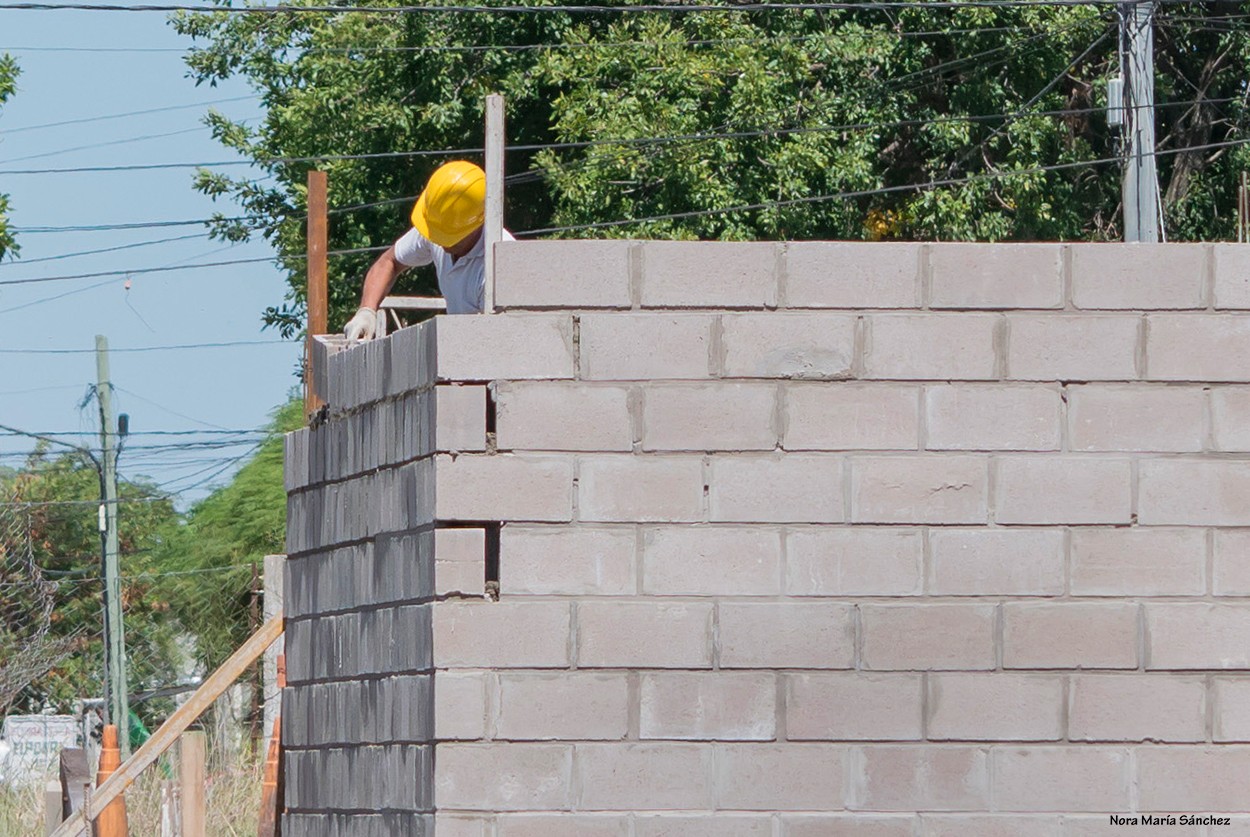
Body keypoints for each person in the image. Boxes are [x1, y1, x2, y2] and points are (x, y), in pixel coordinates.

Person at [342, 160, 512, 340]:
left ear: (478, 224)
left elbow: (493, 345)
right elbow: (389, 262)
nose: (440, 242)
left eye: (449, 236)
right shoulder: (437, 224)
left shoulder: (499, 266)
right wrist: (366, 311)